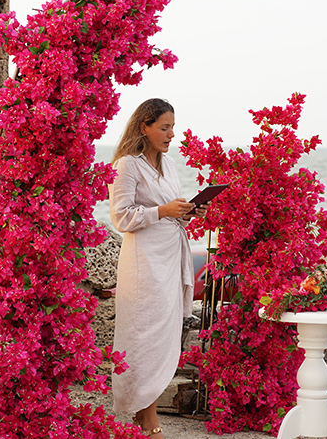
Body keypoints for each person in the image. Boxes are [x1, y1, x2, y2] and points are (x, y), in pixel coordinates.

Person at [109, 98, 203, 437]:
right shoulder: (126, 166)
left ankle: (143, 415)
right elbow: (121, 218)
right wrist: (162, 212)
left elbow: (166, 207)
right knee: (144, 336)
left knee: (164, 336)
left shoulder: (171, 165)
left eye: (172, 127)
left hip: (169, 255)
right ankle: (148, 420)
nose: (171, 134)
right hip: (144, 261)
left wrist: (186, 211)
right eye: (164, 127)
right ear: (144, 127)